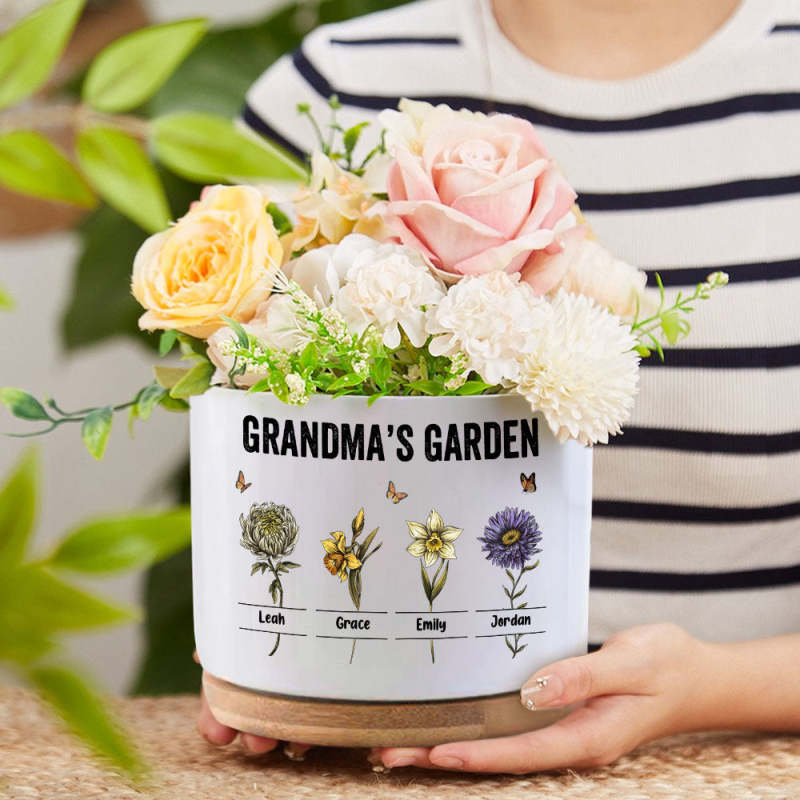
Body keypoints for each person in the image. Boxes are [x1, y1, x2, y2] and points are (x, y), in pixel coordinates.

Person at [198, 0, 800, 772]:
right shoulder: (333, 86)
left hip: (734, 766)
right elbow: (260, 449)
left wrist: (711, 689)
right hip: (361, 762)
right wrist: (273, 650)